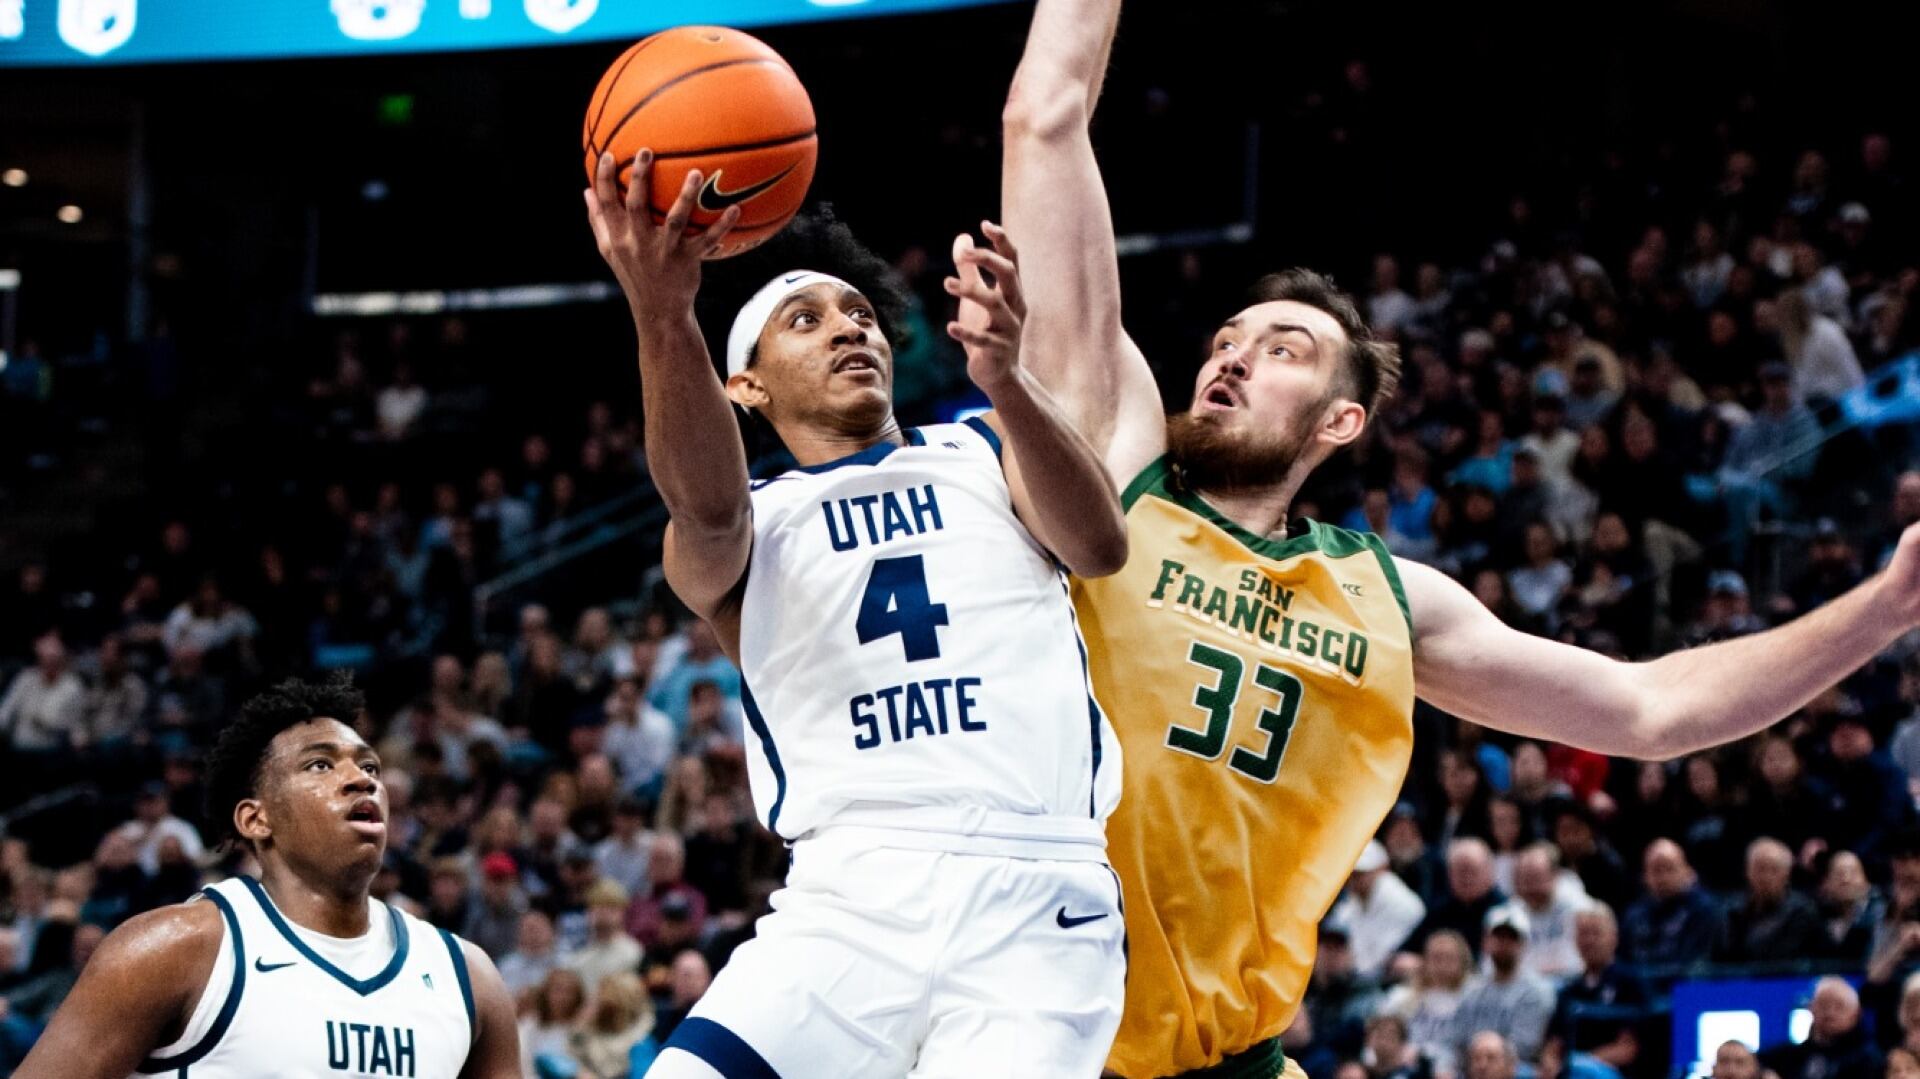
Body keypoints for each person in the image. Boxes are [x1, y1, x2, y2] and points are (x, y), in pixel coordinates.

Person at [999, 2, 1920, 1074]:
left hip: (1234, 1056)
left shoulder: (1388, 598)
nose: (1237, 356)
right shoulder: (1119, 474)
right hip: (1038, 1045)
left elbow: (1654, 708)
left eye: (1283, 347)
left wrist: (1892, 604)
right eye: (1226, 340)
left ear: (1341, 421)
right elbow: (1044, 119)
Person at [582, 135, 1130, 1075]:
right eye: (804, 320)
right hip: (849, 896)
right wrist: (661, 312)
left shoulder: (984, 449)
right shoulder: (755, 524)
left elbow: (1100, 545)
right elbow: (703, 505)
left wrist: (1006, 376)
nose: (848, 327)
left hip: (1036, 893)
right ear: (744, 385)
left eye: (859, 313)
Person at [11, 675, 521, 1077]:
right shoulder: (173, 951)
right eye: (321, 766)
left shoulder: (468, 978)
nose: (361, 778)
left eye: (371, 767)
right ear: (256, 819)